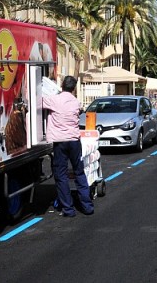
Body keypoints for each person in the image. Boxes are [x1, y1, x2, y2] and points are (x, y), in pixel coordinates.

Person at [43, 76, 94, 217]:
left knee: (61, 175)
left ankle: (68, 209)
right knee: (79, 172)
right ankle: (87, 207)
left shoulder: (55, 100)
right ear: (74, 88)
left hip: (60, 142)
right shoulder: (76, 102)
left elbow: (37, 101)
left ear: (62, 85)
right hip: (74, 141)